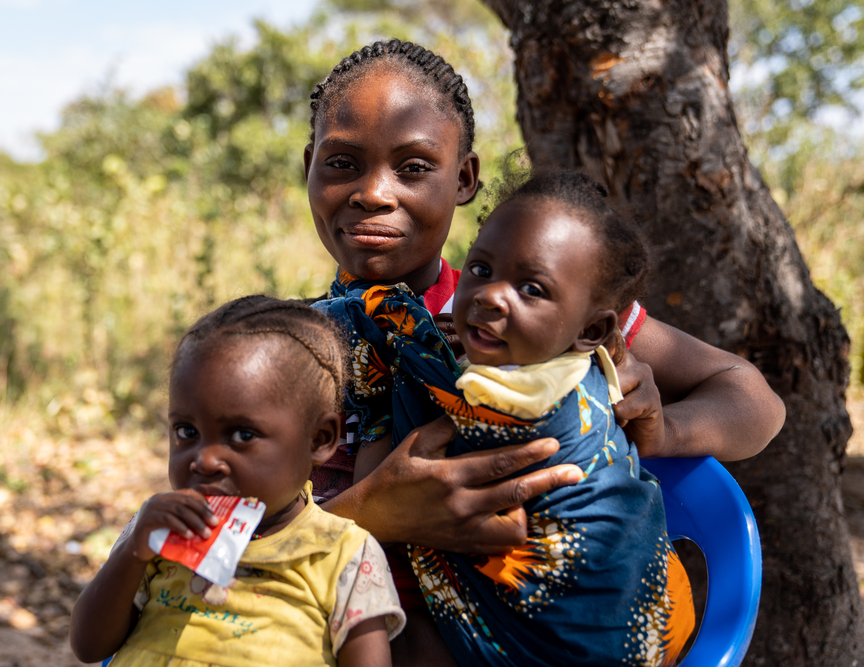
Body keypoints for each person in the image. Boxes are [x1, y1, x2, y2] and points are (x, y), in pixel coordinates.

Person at [301, 38, 783, 665]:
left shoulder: (539, 313)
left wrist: (657, 427)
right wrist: (371, 515)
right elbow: (228, 541)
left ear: (465, 178)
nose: (373, 193)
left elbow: (755, 403)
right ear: (309, 165)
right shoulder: (287, 349)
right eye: (342, 163)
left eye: (414, 167)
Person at [316, 169, 696, 666]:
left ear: (593, 329)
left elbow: (398, 481)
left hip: (563, 635)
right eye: (480, 270)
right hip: (659, 615)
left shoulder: (511, 394)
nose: (492, 295)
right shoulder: (592, 359)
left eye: (532, 288)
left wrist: (406, 357)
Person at [69, 296, 406, 667]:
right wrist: (134, 550)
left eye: (242, 435)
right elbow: (89, 646)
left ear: (320, 439)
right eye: (186, 430)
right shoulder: (160, 528)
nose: (205, 459)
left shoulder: (343, 554)